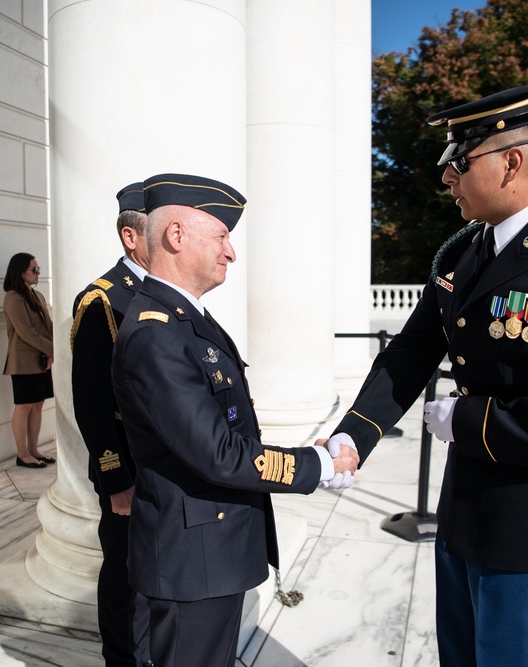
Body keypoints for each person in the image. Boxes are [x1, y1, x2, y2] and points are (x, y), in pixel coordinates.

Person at [326, 82, 528, 667]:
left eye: (458, 160)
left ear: (512, 162)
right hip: (465, 507)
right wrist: (355, 434)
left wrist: (471, 420)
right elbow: (411, 352)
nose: (446, 176)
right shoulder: (461, 254)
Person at [112, 173, 359, 667]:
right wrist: (319, 466)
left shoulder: (185, 317)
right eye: (221, 236)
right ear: (176, 236)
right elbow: (219, 453)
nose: (231, 252)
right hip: (192, 560)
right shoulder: (157, 334)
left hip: (208, 550)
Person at [70, 183, 151, 666]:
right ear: (130, 236)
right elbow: (91, 402)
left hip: (161, 461)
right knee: (123, 574)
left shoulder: (161, 291)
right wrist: (115, 478)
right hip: (127, 465)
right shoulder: (101, 300)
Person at [2, 252, 55, 468]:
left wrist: (54, 350)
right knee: (24, 405)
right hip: (24, 361)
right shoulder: (13, 297)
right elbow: (26, 331)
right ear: (21, 272)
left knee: (38, 404)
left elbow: (48, 325)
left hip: (42, 359)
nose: (38, 273)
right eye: (34, 270)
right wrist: (52, 349)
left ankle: (34, 449)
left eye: (38, 269)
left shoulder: (37, 296)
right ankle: (22, 453)